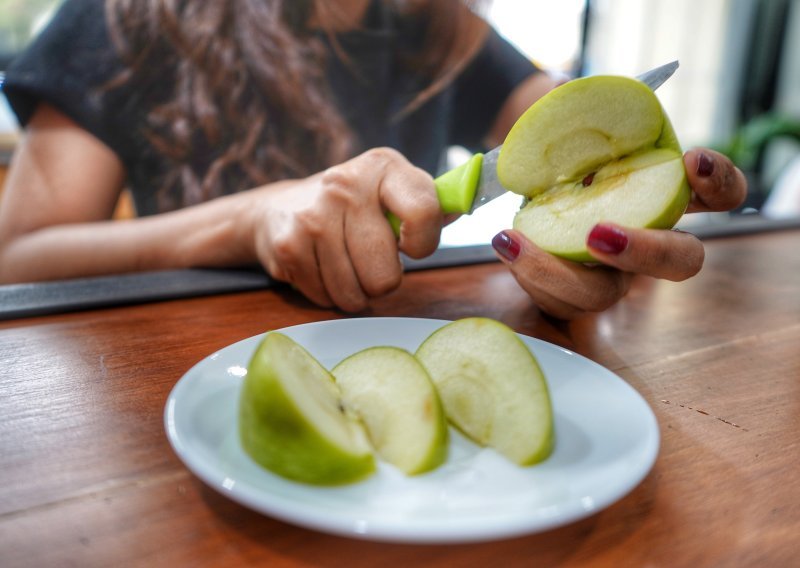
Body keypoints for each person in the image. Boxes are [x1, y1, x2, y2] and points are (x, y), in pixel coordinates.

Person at [0, 0, 746, 320]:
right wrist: (249, 218)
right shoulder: (127, 16)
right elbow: (18, 257)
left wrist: (628, 217)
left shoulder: (432, 23)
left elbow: (562, 120)